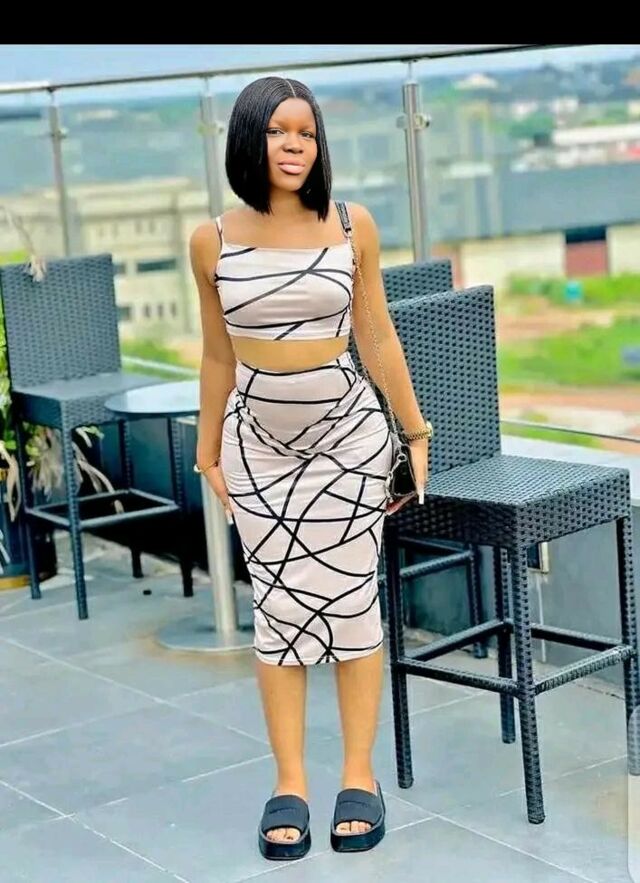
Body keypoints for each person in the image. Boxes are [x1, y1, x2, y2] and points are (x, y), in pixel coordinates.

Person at [189, 75, 431, 860]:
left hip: (348, 439)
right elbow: (218, 352)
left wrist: (415, 429)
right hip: (257, 446)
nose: (294, 145)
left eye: (307, 132)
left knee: (353, 605)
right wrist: (206, 446)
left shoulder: (352, 225)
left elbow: (377, 332)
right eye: (277, 130)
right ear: (247, 139)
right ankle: (289, 780)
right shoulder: (211, 240)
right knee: (279, 614)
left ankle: (359, 773)